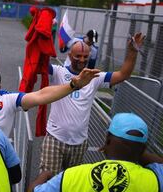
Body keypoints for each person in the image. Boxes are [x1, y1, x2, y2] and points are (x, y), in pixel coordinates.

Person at [39, 32, 145, 176]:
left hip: (79, 143)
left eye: (85, 57)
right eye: (78, 56)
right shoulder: (58, 72)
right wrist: (43, 35)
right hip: (55, 138)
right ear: (70, 56)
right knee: (47, 179)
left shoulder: (95, 76)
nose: (82, 60)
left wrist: (133, 51)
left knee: (71, 184)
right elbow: (39, 62)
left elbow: (123, 74)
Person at [27, 112, 163, 192]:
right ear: (143, 149)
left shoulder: (72, 176)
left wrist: (42, 177)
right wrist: (135, 150)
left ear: (107, 140)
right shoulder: (156, 180)